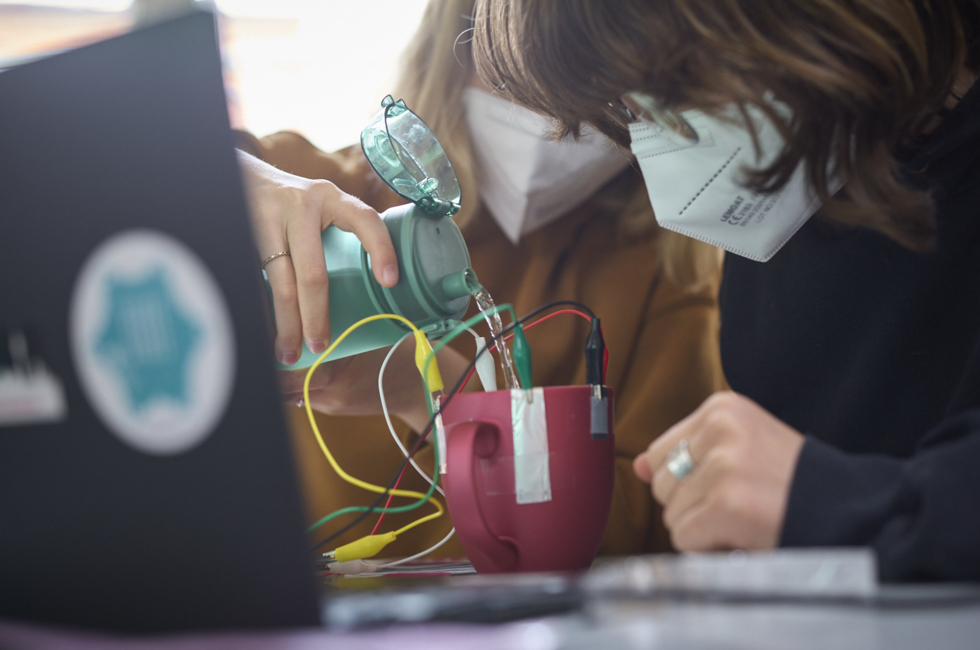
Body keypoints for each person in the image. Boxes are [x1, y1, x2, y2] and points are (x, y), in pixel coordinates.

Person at [471, 0, 980, 580]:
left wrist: (820, 501)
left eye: (661, 81)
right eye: (623, 106)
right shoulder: (790, 221)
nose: (650, 134)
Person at [236, 0, 726, 558]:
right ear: (463, 36)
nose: (561, 110)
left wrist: (433, 389)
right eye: (532, 66)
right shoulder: (320, 197)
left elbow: (642, 535)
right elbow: (125, 164)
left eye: (604, 74)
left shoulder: (667, 272)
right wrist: (232, 177)